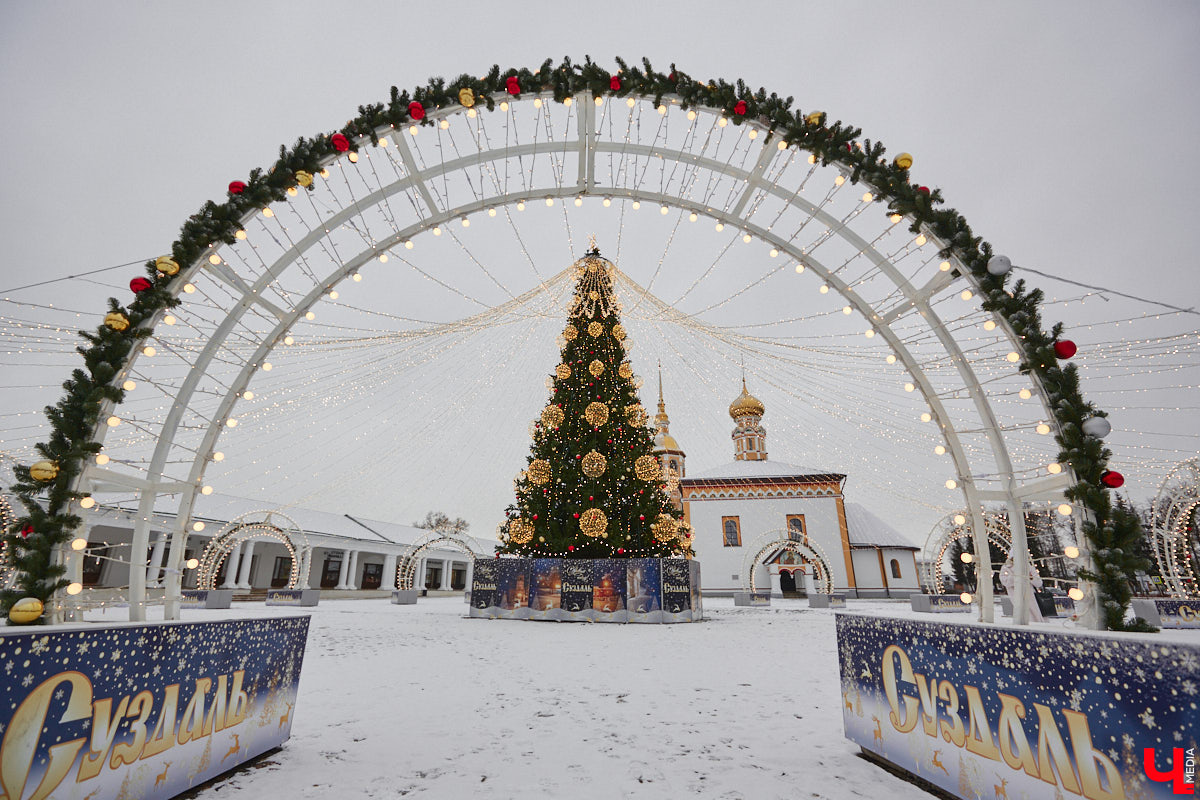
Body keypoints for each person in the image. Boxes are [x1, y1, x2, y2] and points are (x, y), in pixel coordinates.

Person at [999, 556, 1044, 623]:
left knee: (1035, 616)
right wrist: (1017, 576)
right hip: (1016, 598)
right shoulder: (1006, 568)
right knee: (1023, 616)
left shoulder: (1028, 566)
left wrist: (1030, 577)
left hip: (1031, 598)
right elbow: (1005, 582)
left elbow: (1039, 583)